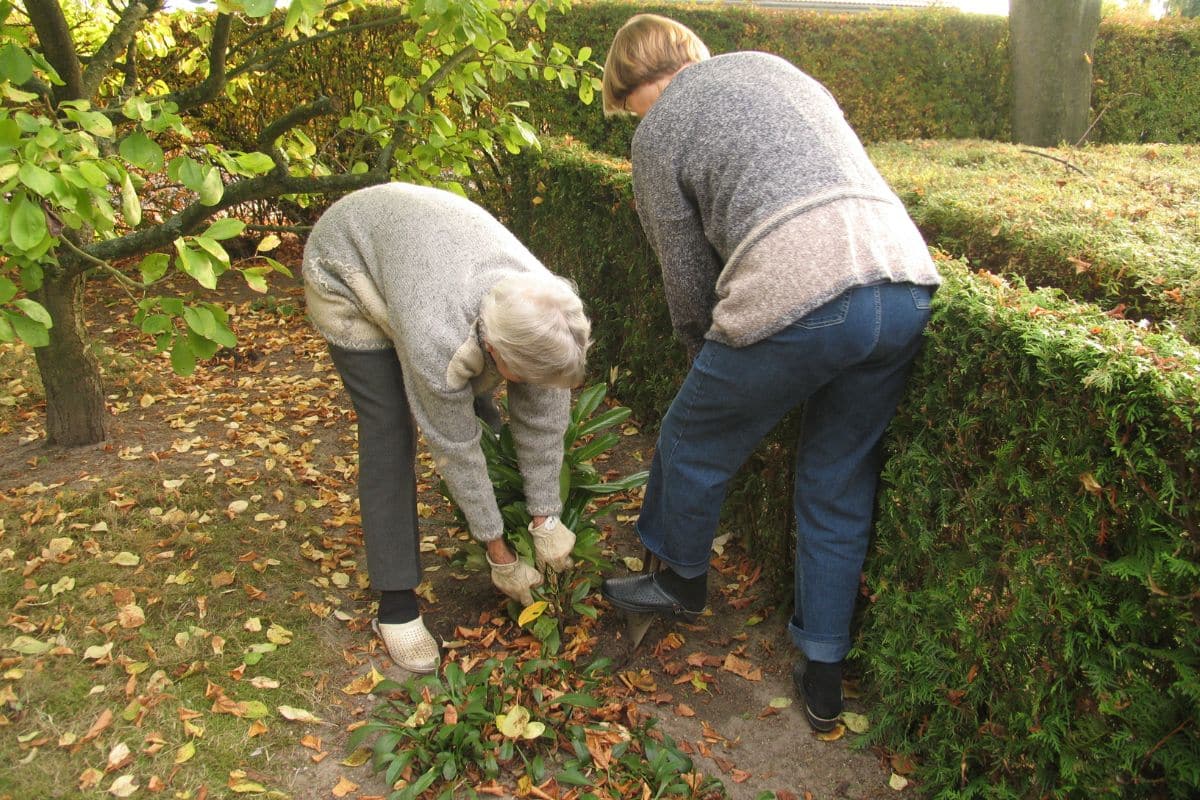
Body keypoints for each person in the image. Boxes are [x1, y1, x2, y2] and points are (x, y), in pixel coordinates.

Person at [597, 14, 942, 732]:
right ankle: (823, 670)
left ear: (639, 84)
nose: (639, 122)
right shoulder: (778, 70)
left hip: (804, 289)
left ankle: (680, 583)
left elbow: (685, 269)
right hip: (905, 280)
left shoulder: (659, 127)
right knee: (837, 480)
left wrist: (701, 351)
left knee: (691, 436)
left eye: (632, 108)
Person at [303, 183, 592, 674]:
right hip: (348, 269)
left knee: (484, 408)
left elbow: (543, 415)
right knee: (390, 433)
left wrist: (546, 516)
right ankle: (395, 607)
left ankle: (508, 520)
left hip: (424, 258)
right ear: (496, 351)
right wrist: (499, 556)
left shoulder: (548, 308)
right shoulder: (439, 338)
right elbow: (453, 445)